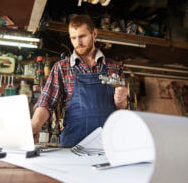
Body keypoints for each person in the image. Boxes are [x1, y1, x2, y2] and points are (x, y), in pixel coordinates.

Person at [31, 14, 128, 147]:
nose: (77, 43)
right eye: (73, 38)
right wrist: (35, 125)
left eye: (82, 36)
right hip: (74, 143)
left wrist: (120, 101)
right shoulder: (62, 68)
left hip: (109, 142)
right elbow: (46, 101)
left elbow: (121, 109)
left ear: (94, 34)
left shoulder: (114, 67)